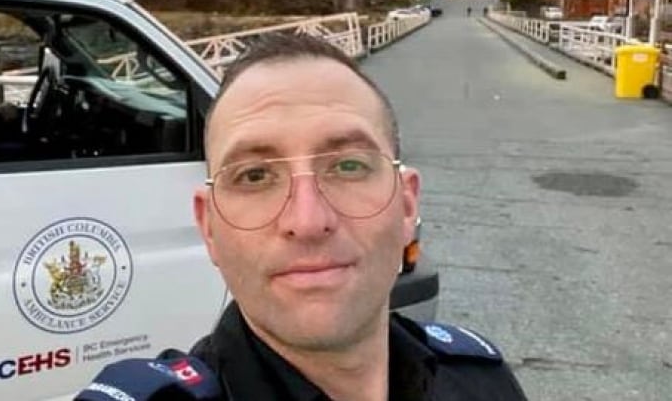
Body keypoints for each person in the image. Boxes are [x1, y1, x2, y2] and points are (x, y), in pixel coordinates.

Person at [75, 34, 528, 401]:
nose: (308, 221)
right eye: (254, 175)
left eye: (348, 166)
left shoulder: (481, 383)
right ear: (209, 226)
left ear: (407, 206)